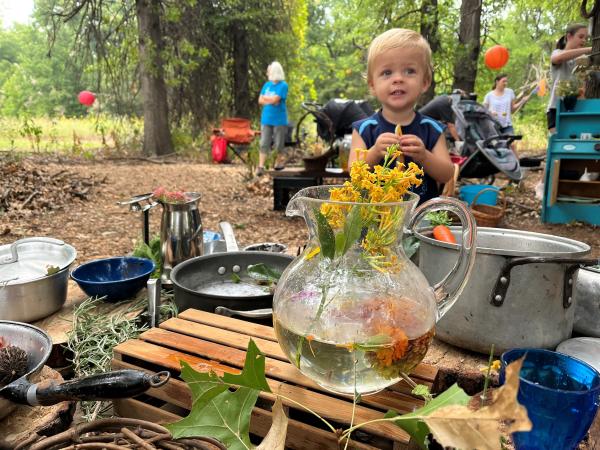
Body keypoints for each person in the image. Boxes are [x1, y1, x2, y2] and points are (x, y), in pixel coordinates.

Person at [349, 28, 454, 204]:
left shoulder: (432, 129)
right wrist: (374, 153)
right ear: (372, 85)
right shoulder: (363, 129)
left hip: (421, 221)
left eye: (409, 71)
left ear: (425, 82)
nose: (398, 79)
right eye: (387, 72)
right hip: (375, 222)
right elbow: (353, 174)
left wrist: (424, 156)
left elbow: (447, 174)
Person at [547, 23, 591, 132]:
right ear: (569, 36)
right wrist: (589, 49)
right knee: (559, 145)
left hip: (576, 109)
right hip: (556, 108)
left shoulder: (583, 60)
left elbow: (582, 88)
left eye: (586, 38)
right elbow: (558, 58)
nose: (584, 40)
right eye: (580, 37)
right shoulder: (557, 53)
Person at [257, 61, 288, 176]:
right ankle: (260, 166)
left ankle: (278, 163)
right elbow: (260, 100)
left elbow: (276, 100)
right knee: (264, 142)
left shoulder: (283, 85)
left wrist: (267, 99)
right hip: (266, 118)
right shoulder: (267, 85)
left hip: (279, 119)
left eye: (269, 70)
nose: (267, 72)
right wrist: (271, 99)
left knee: (279, 143)